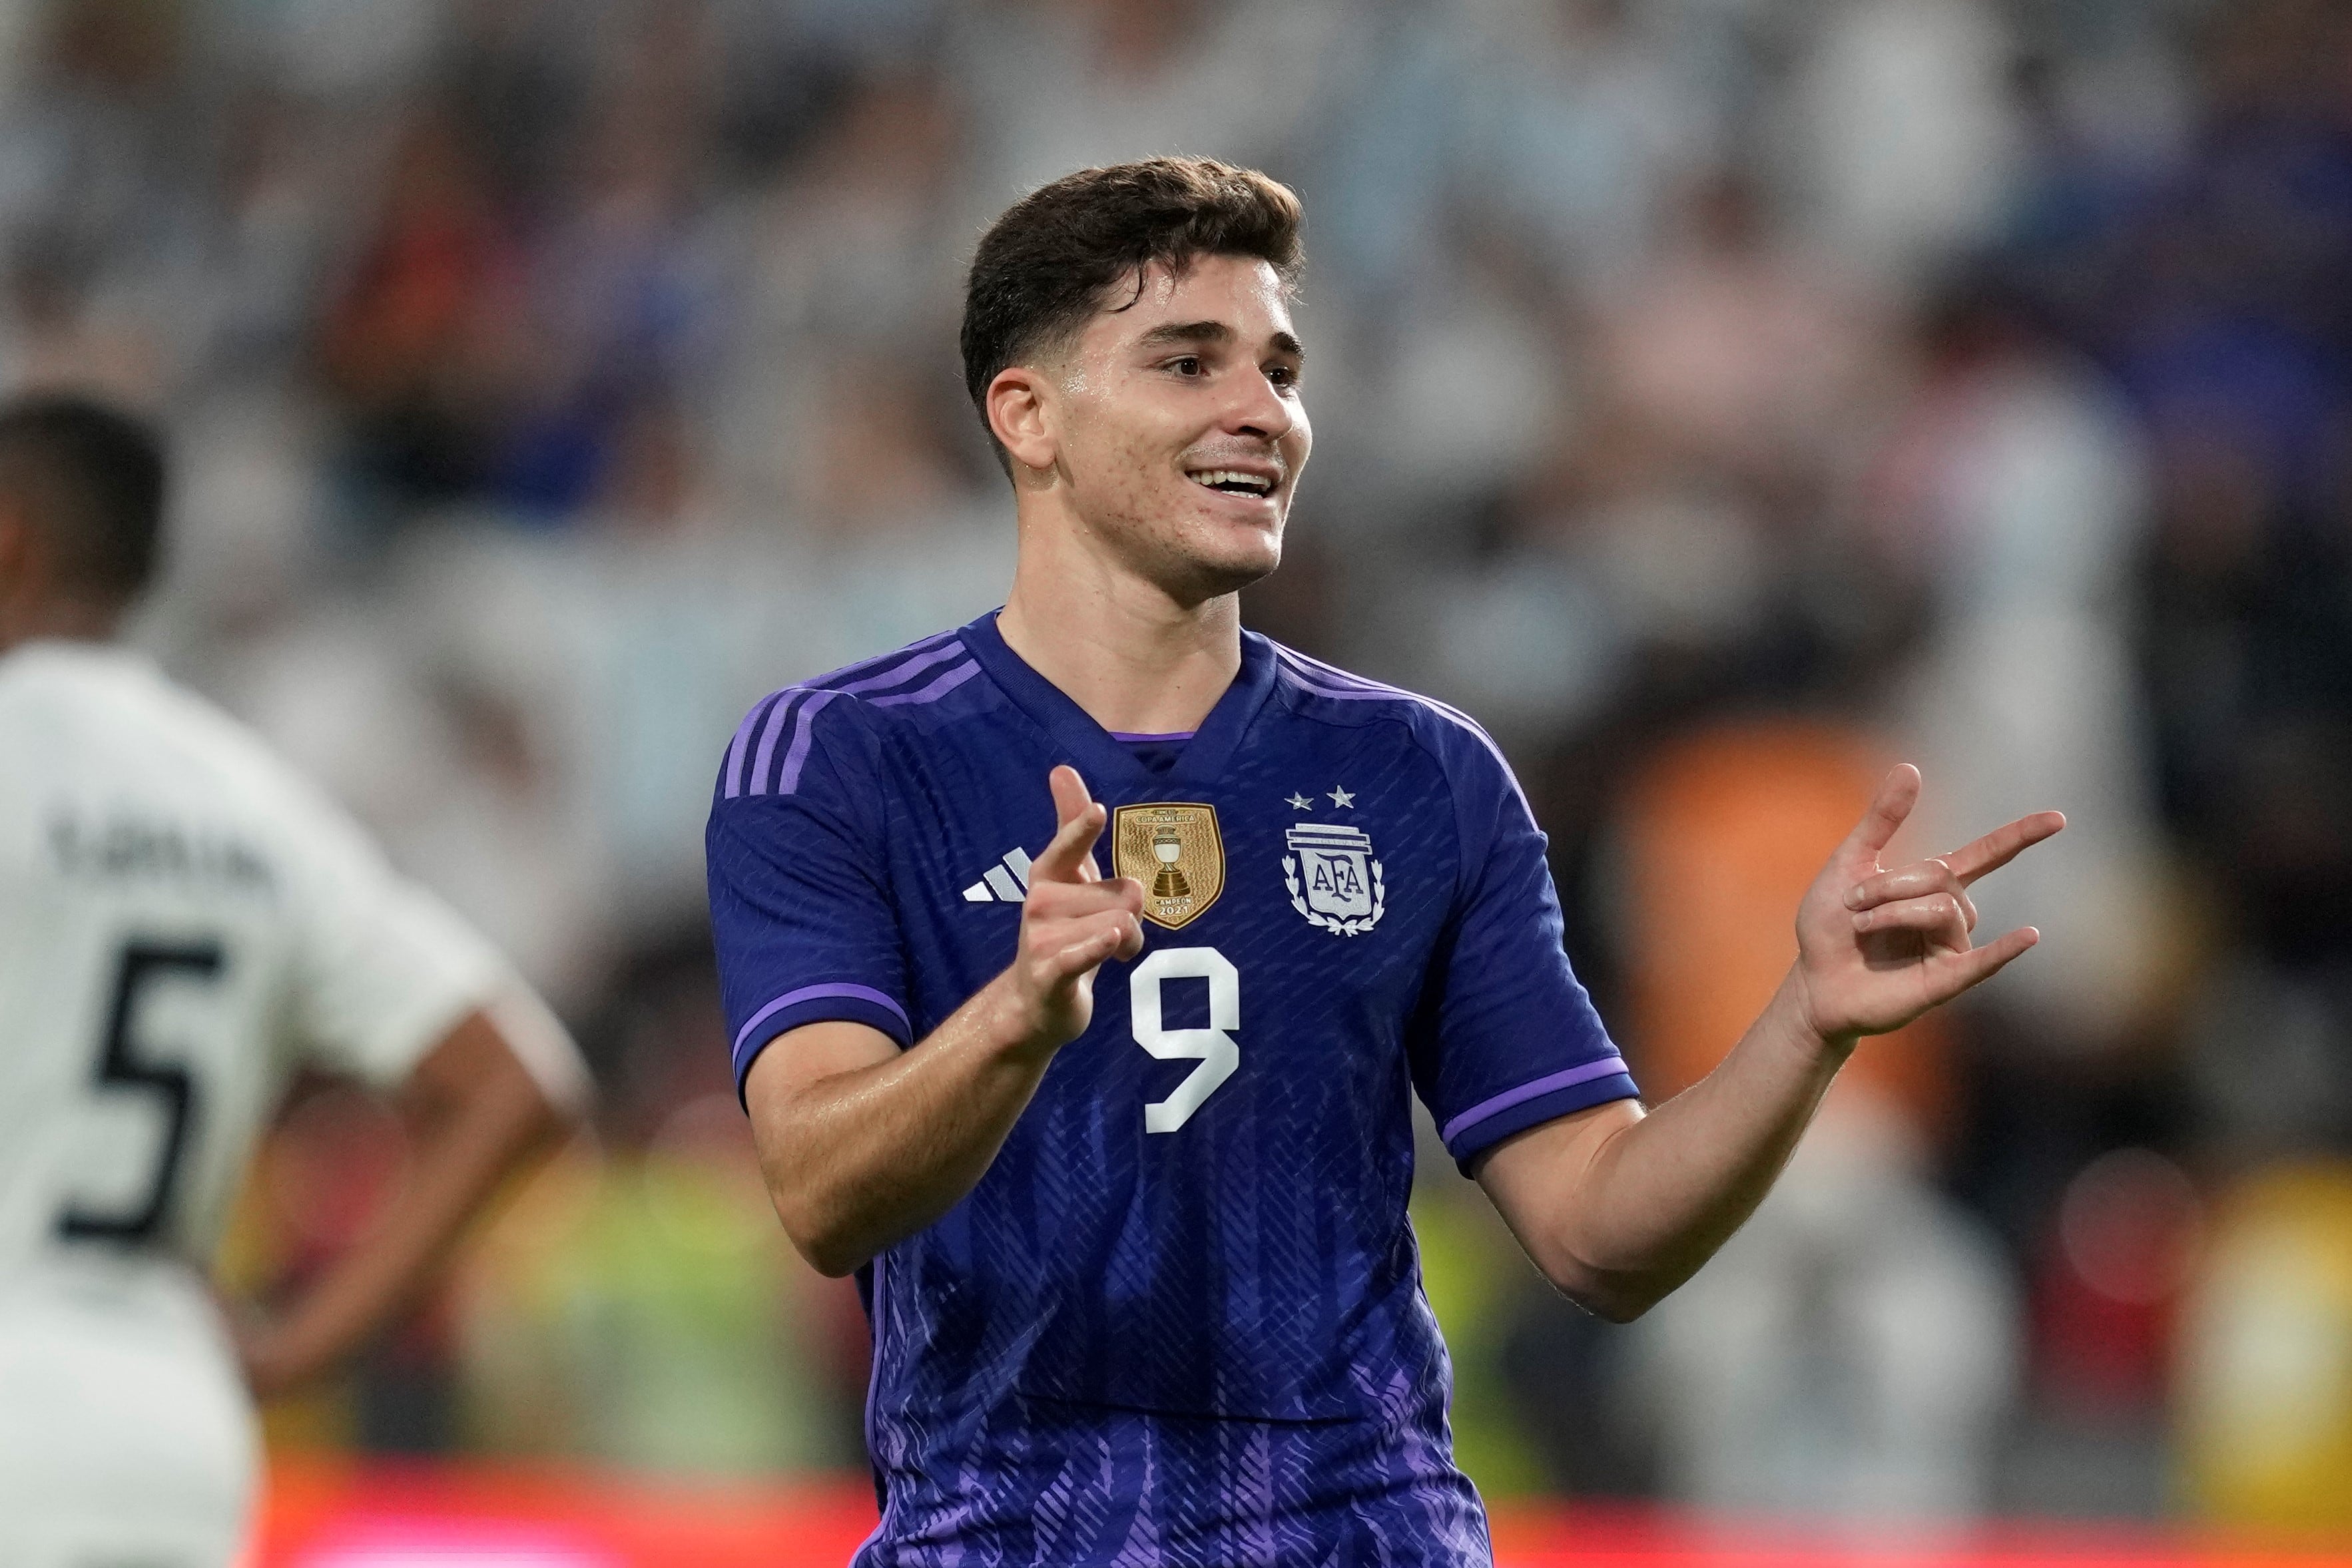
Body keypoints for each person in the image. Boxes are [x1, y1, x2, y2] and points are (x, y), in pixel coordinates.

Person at [705, 157, 2062, 1564]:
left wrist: (1803, 1024)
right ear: (1027, 414)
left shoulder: (1421, 772)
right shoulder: (840, 758)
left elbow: (1601, 1229)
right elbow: (818, 1189)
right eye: (1188, 362)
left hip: (1364, 1534)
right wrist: (1012, 1017)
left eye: (1279, 370)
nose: (1260, 412)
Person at [0, 395, 591, 1568]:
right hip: (171, 1432)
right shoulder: (247, 804)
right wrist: (297, 1349)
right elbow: (520, 1085)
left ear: (10, 538)